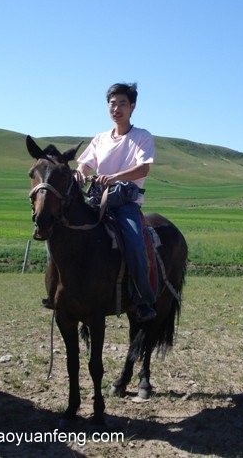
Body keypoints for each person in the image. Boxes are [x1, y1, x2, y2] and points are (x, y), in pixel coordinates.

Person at [73, 82, 157, 323]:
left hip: (125, 202)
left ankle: (143, 299)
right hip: (97, 199)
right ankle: (62, 291)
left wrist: (114, 177)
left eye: (122, 103)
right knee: (63, 228)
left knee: (134, 239)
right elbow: (86, 163)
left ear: (132, 107)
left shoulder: (142, 136)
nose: (116, 108)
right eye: (112, 103)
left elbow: (144, 167)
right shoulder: (100, 139)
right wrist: (80, 172)